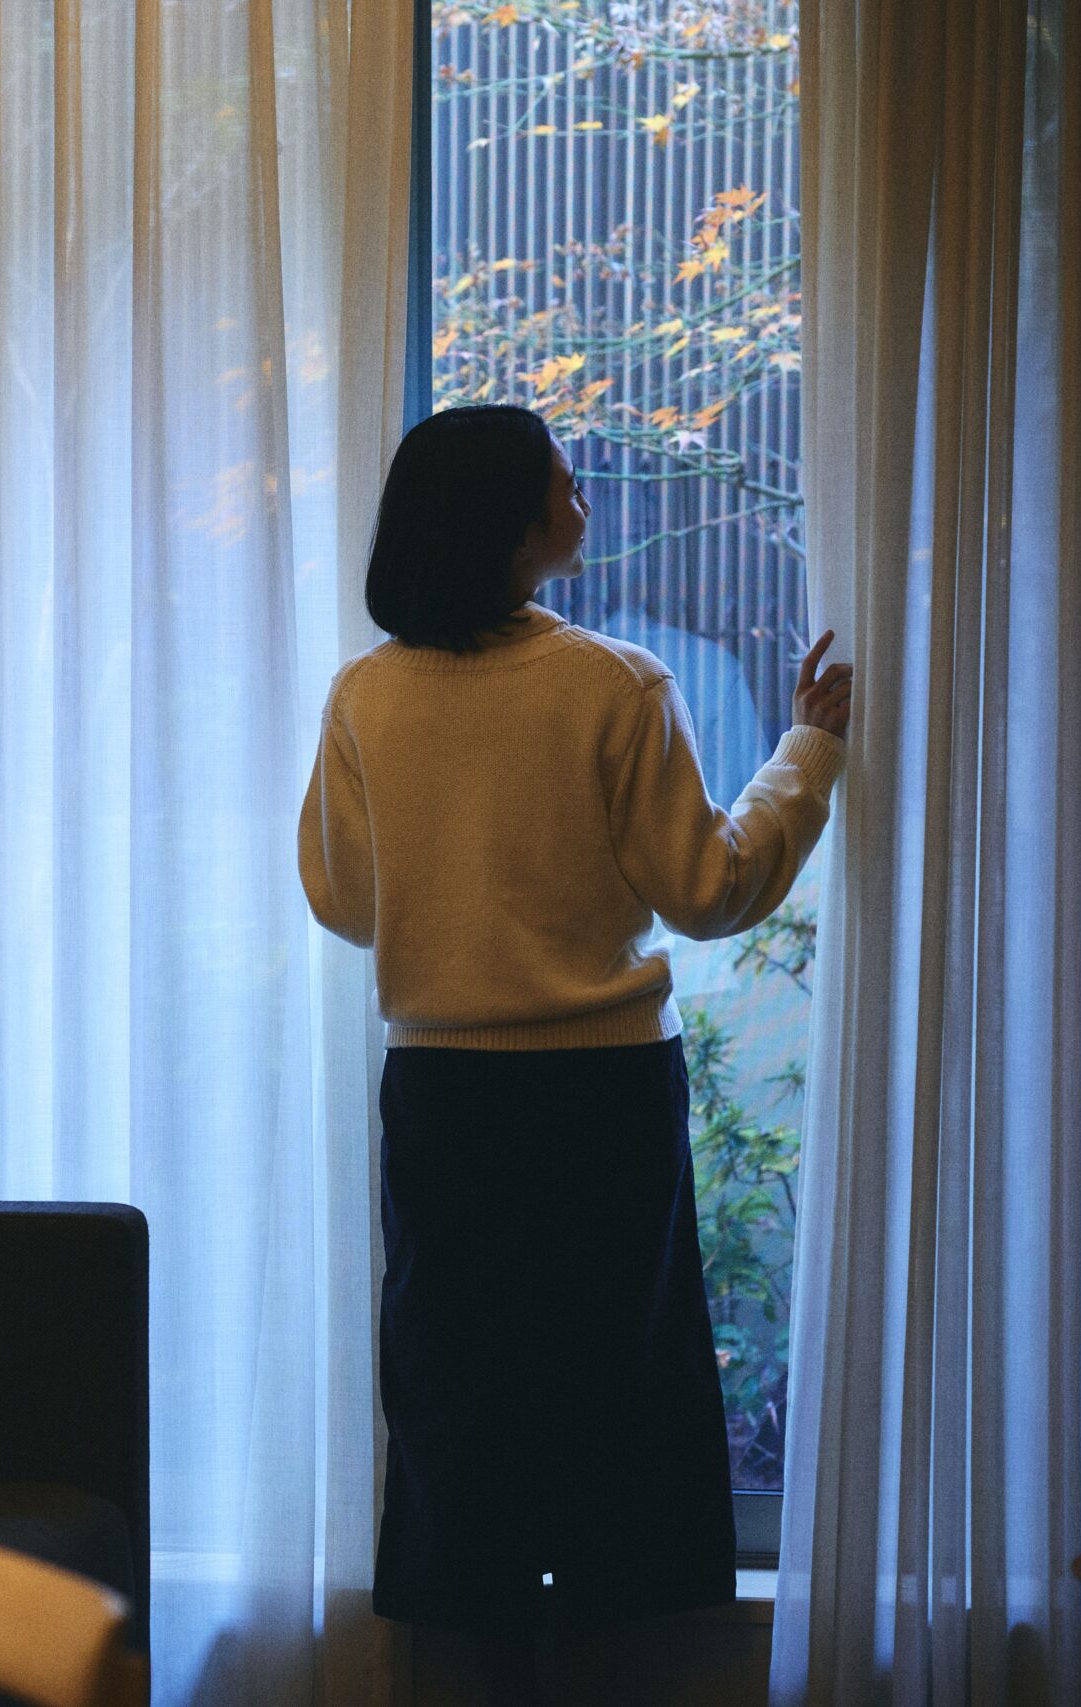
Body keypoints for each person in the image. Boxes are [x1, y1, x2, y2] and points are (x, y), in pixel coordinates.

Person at [297, 404, 853, 1706]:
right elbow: (709, 889)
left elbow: (342, 897)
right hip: (599, 1096)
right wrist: (808, 755)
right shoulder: (615, 685)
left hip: (443, 1095)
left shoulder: (366, 695)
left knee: (457, 1401)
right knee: (615, 1401)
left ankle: (479, 1673)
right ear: (511, 521)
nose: (581, 496)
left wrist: (454, 890)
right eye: (562, 482)